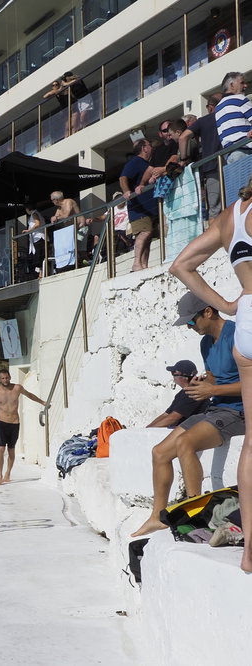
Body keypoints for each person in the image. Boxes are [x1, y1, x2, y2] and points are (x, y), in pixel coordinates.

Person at [167, 184, 252, 570]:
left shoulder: (230, 215)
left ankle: (248, 552)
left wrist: (232, 304)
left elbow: (181, 265)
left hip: (247, 317)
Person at [129, 293, 244, 545]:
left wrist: (213, 390)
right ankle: (158, 515)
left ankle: (197, 513)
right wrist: (202, 384)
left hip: (240, 411)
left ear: (207, 312)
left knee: (186, 444)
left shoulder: (238, 334)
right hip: (217, 410)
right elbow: (215, 378)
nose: (190, 328)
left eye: (191, 322)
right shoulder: (206, 343)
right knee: (159, 452)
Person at [0, 370, 47, 485]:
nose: (5, 380)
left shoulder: (17, 388)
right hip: (1, 422)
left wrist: (42, 402)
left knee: (11, 449)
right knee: (0, 448)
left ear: (10, 377)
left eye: (7, 378)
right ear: (0, 379)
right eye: (3, 378)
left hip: (14, 423)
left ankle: (8, 473)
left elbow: (29, 395)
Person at [178, 92, 223, 219]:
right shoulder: (227, 114)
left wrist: (184, 158)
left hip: (212, 168)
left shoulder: (204, 121)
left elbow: (183, 138)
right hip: (231, 162)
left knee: (214, 209)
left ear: (211, 106)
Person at [119, 139, 158, 271]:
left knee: (148, 235)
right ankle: (136, 263)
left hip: (148, 207)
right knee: (145, 232)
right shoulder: (136, 161)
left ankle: (143, 265)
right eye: (149, 145)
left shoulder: (146, 163)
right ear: (144, 148)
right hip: (138, 207)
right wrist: (126, 192)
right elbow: (123, 178)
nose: (151, 147)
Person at [146, 360, 209, 427]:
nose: (172, 376)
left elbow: (173, 418)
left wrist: (148, 430)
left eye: (174, 373)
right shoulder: (182, 393)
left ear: (184, 377)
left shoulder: (194, 392)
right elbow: (166, 414)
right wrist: (147, 428)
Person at [214, 71, 252, 163]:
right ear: (232, 85)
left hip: (229, 155)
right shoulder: (240, 99)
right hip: (246, 150)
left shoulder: (218, 108)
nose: (245, 86)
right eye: (242, 83)